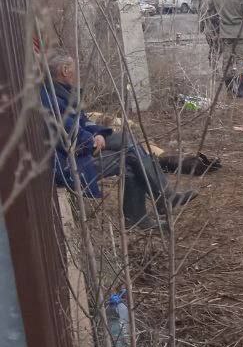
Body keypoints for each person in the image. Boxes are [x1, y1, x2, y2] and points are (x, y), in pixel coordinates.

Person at [40, 50, 194, 230]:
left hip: (80, 151)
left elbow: (82, 121)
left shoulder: (61, 92)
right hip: (69, 164)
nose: (77, 74)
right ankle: (151, 207)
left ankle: (159, 201)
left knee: (126, 140)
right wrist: (90, 139)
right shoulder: (48, 98)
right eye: (74, 69)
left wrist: (97, 133)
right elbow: (65, 131)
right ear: (65, 70)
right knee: (129, 159)